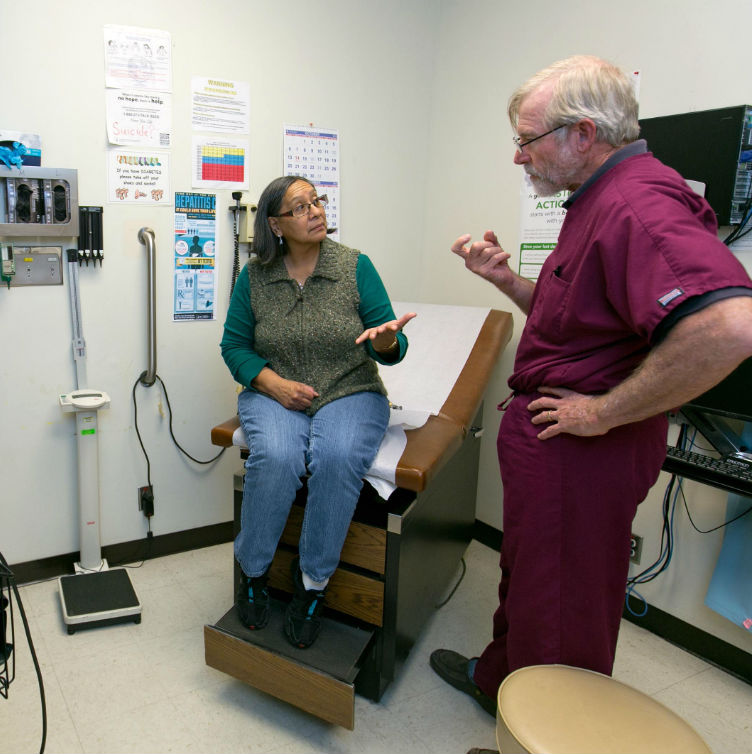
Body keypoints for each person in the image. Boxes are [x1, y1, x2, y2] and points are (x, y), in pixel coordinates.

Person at [431, 55, 752, 717]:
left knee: (562, 607)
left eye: (526, 141)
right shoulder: (595, 201)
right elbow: (577, 327)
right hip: (553, 444)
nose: (519, 159)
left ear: (582, 134)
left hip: (579, 456)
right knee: (531, 584)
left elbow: (729, 326)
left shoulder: (635, 202)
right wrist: (506, 281)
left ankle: (546, 731)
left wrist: (603, 412)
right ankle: (500, 684)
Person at [220, 175, 415, 649]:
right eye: (300, 206)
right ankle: (254, 571)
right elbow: (234, 348)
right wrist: (272, 384)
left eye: (317, 201)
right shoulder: (255, 277)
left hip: (350, 391)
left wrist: (388, 341)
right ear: (275, 224)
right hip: (275, 392)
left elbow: (391, 344)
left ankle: (312, 584)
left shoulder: (355, 267)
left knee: (337, 457)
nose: (316, 211)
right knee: (280, 458)